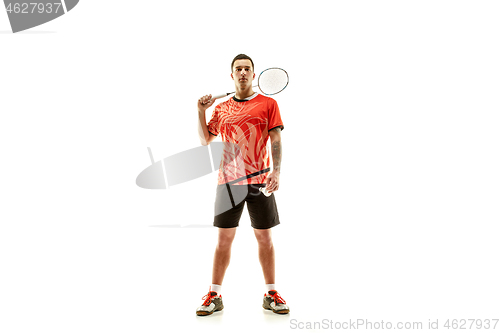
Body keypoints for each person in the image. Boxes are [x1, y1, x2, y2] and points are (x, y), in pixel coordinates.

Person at [195, 54, 289, 315]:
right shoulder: (222, 108)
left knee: (264, 237)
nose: (243, 72)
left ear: (254, 74)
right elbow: (205, 139)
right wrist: (201, 111)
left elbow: (276, 139)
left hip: (260, 180)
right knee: (224, 239)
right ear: (232, 75)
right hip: (228, 181)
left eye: (248, 68)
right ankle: (214, 295)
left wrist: (277, 172)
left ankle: (271, 293)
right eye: (239, 69)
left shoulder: (269, 103)